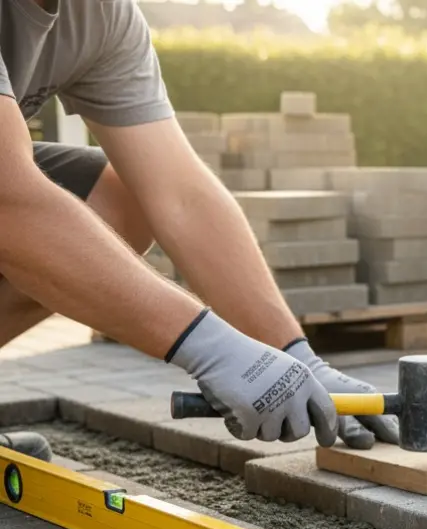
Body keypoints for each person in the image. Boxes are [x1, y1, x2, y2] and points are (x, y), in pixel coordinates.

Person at [0, 0, 395, 450]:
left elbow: (181, 194)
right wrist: (212, 347)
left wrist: (296, 356)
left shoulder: (100, 14)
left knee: (116, 203)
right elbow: (8, 197)